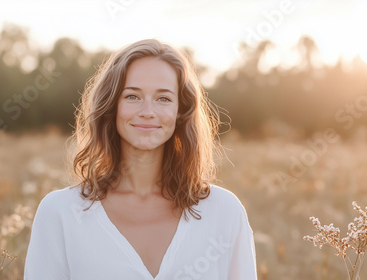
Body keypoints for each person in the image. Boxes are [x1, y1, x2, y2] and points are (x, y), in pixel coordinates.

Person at [24, 38, 257, 280]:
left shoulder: (224, 212)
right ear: (112, 105)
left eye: (163, 98)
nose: (147, 111)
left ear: (180, 111)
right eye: (133, 96)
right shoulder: (60, 213)